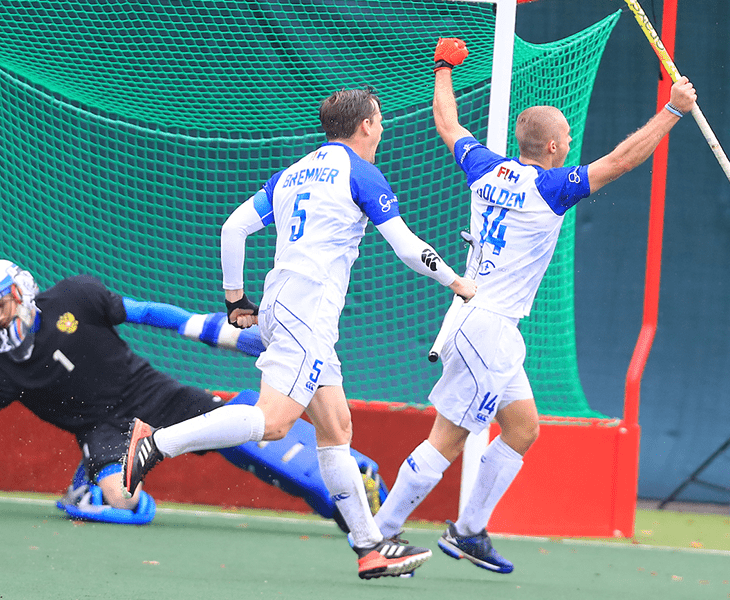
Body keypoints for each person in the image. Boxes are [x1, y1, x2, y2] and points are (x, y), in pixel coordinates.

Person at [370, 38, 698, 574]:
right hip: (487, 328)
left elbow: (448, 123)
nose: (570, 142)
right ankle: (379, 535)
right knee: (448, 438)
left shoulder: (485, 168)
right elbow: (620, 161)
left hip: (485, 325)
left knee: (523, 428)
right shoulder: (552, 187)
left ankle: (468, 531)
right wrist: (672, 111)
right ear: (551, 147)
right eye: (566, 136)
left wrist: (443, 67)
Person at [123, 87, 477, 579]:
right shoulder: (360, 171)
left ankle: (370, 546)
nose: (382, 128)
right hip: (307, 312)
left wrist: (235, 300)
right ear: (365, 125)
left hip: (283, 305)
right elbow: (405, 246)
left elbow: (232, 228)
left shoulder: (292, 172)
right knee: (273, 423)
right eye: (379, 120)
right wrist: (457, 282)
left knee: (336, 429)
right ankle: (157, 441)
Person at [0, 259, 386, 528]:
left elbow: (149, 313)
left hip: (153, 393)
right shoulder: (1, 367)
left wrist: (227, 335)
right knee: (123, 501)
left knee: (243, 431)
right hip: (102, 430)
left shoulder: (74, 296)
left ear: (19, 293)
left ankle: (347, 489)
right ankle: (94, 484)